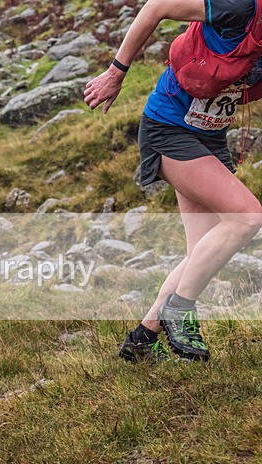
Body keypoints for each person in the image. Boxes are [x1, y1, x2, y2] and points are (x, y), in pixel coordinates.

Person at [84, 0, 262, 362]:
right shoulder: (239, 7)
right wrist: (117, 71)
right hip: (169, 128)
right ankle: (180, 310)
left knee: (201, 253)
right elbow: (156, 6)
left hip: (207, 135)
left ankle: (142, 340)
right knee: (247, 217)